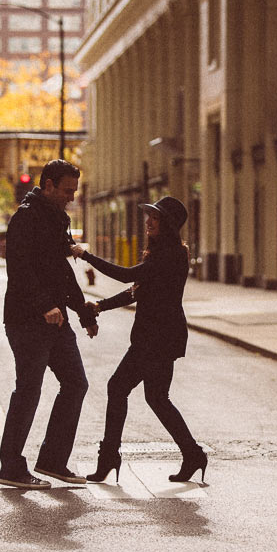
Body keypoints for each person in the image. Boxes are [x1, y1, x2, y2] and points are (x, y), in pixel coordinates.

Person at [71, 196, 207, 484]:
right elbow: (135, 291)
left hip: (157, 337)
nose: (148, 222)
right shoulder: (161, 254)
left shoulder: (169, 255)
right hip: (158, 336)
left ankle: (110, 456)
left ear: (167, 225)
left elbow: (125, 276)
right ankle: (192, 453)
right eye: (149, 217)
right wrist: (100, 306)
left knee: (119, 387)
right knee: (156, 398)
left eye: (154, 218)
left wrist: (85, 255)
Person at [0, 159, 99, 490]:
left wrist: (81, 309)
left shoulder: (56, 218)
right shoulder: (26, 219)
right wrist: (44, 305)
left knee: (75, 383)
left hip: (56, 320)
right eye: (67, 190)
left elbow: (61, 272)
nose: (71, 197)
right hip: (28, 320)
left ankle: (53, 460)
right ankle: (11, 467)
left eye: (75, 191)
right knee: (28, 390)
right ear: (49, 185)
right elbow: (20, 268)